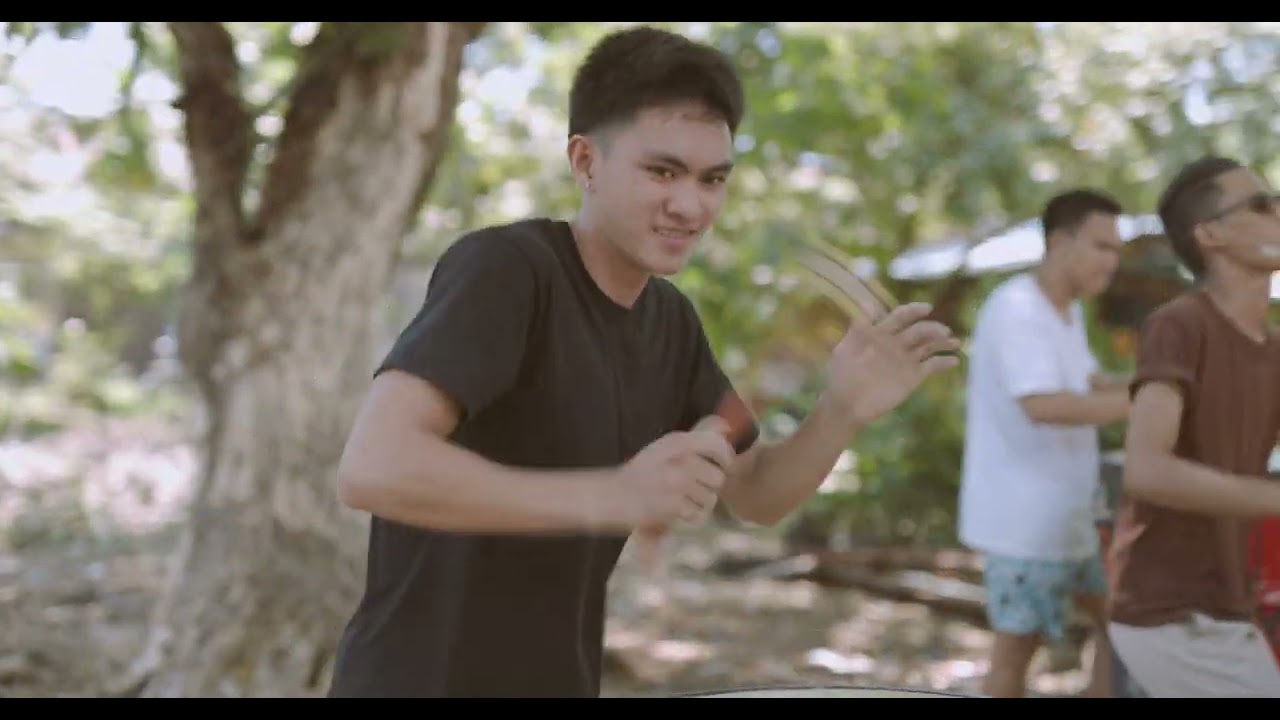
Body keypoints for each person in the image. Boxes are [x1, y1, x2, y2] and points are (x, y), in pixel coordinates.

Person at [325, 26, 961, 698]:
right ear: (585, 161)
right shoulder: (510, 271)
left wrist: (842, 411)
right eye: (663, 171)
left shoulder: (673, 323)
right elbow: (374, 468)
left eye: (712, 179)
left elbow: (758, 491)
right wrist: (614, 493)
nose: (690, 205)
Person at [1107, 156, 1280, 697]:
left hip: (1225, 606)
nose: (1278, 212)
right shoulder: (1179, 325)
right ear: (1211, 235)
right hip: (1169, 614)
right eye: (1260, 204)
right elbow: (1147, 470)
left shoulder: (1273, 349)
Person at [958, 189, 1131, 697]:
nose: (1113, 261)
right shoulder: (1017, 308)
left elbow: (1093, 385)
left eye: (1116, 249)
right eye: (1102, 246)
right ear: (1059, 242)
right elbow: (1045, 405)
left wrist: (1166, 381)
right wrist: (1146, 402)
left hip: (1072, 517)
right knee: (1014, 659)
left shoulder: (1067, 312)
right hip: (1025, 526)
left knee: (1121, 628)